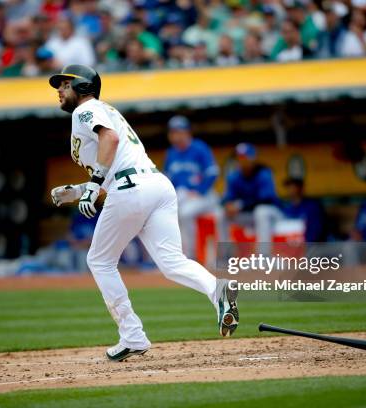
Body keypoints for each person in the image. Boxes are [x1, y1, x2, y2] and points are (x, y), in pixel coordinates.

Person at [48, 64, 238, 362]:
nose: (59, 90)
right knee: (172, 262)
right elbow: (115, 168)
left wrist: (94, 183)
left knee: (99, 260)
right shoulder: (103, 110)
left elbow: (109, 141)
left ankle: (132, 335)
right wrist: (77, 190)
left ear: (83, 87)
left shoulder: (85, 110)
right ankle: (218, 290)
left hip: (132, 188)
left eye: (65, 84)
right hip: (156, 184)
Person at [163, 115, 220, 259]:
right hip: (183, 196)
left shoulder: (200, 148)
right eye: (172, 132)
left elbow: (213, 173)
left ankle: (191, 257)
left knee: (185, 213)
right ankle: (172, 255)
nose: (175, 135)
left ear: (187, 132)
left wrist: (199, 190)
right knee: (166, 212)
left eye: (179, 131)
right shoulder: (171, 153)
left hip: (204, 196)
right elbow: (167, 180)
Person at [220, 143, 278, 241]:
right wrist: (227, 205)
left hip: (271, 214)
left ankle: (264, 255)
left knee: (261, 212)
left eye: (244, 157)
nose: (241, 161)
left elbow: (265, 200)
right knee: (222, 215)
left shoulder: (263, 173)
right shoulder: (234, 176)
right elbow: (227, 197)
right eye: (239, 158)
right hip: (248, 215)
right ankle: (225, 254)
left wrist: (240, 206)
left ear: (252, 158)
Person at [280, 177, 326, 242]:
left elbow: (316, 230)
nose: (290, 189)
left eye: (293, 186)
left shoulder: (312, 206)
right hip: (291, 246)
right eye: (288, 187)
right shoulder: (286, 209)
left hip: (311, 246)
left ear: (300, 188)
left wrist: (305, 245)